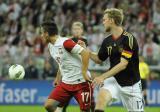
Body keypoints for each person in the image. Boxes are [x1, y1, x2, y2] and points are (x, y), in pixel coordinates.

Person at [86, 8, 144, 112]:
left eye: (104, 20)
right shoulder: (107, 41)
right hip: (114, 80)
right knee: (101, 99)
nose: (103, 22)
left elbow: (123, 64)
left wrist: (102, 77)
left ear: (111, 21)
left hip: (131, 84)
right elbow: (99, 59)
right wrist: (85, 51)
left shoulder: (129, 39)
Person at [40, 19, 92, 112]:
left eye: (42, 33)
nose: (41, 36)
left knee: (85, 110)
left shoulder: (65, 43)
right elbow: (62, 62)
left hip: (81, 82)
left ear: (47, 34)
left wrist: (84, 72)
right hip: (66, 83)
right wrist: (57, 77)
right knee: (49, 105)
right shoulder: (50, 46)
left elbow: (85, 54)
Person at [56, 21, 95, 112]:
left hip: (82, 73)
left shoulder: (84, 40)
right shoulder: (67, 42)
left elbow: (86, 56)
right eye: (74, 29)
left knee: (90, 100)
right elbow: (63, 61)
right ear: (71, 30)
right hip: (70, 74)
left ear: (82, 30)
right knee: (64, 101)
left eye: (78, 29)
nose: (76, 31)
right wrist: (58, 76)